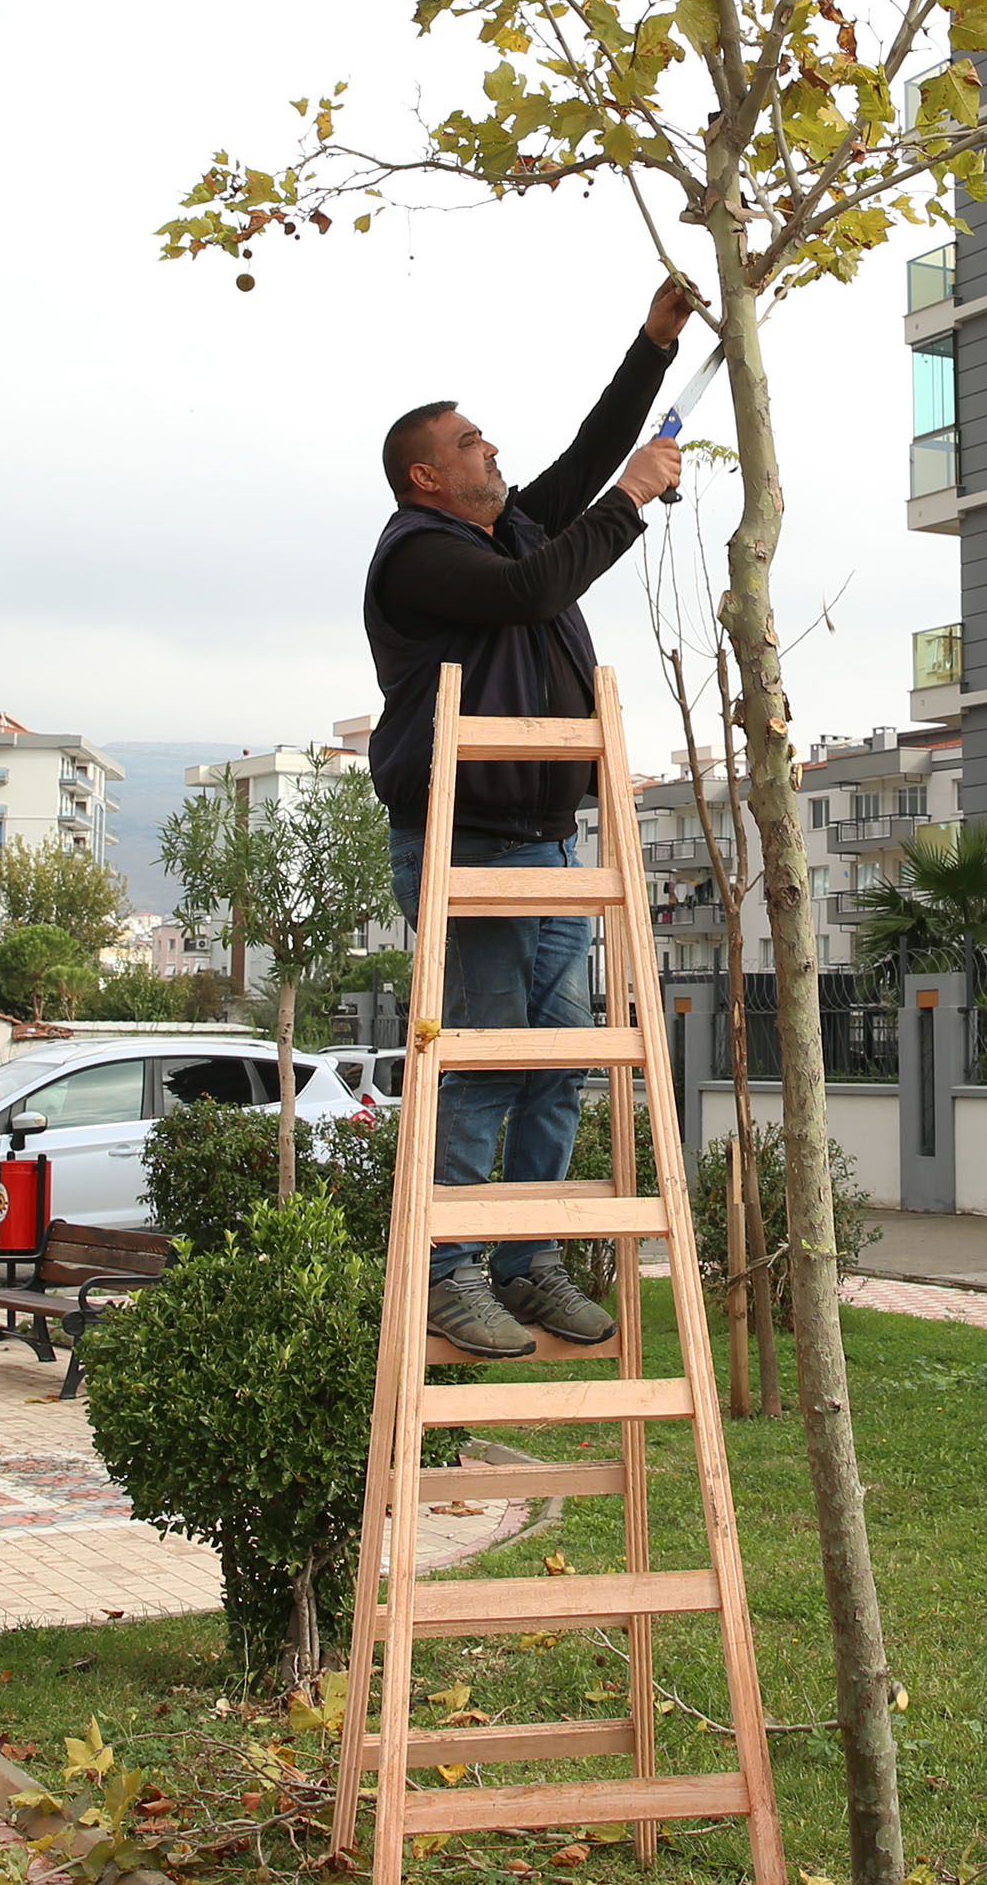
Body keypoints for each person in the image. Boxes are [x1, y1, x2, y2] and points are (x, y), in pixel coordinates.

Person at [364, 279, 691, 1357]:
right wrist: (634, 496)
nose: (491, 446)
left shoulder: (509, 525)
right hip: (465, 843)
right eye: (470, 441)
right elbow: (535, 592)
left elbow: (592, 452)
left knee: (558, 1062)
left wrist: (654, 344)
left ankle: (528, 1259)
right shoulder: (419, 554)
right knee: (486, 1059)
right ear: (427, 474)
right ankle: (449, 1273)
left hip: (552, 844)